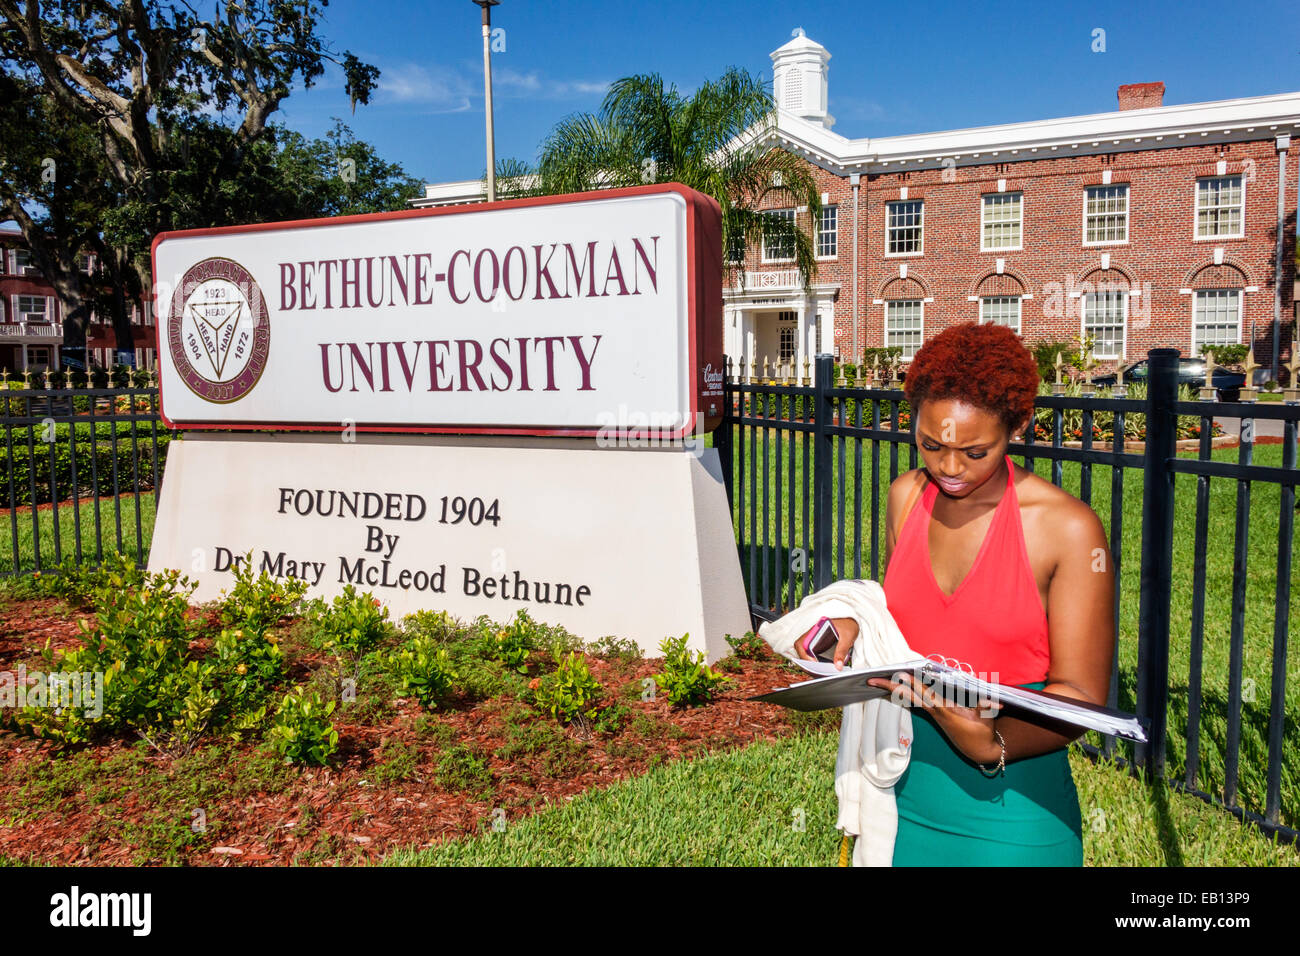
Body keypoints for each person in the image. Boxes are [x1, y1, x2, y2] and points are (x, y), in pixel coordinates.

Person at [793, 322, 1116, 866]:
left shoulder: (1067, 529)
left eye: (974, 451)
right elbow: (898, 615)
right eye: (931, 444)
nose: (948, 467)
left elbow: (1083, 697)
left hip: (1014, 810)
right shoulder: (906, 496)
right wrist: (856, 626)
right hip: (901, 797)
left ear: (1018, 426)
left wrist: (993, 742)